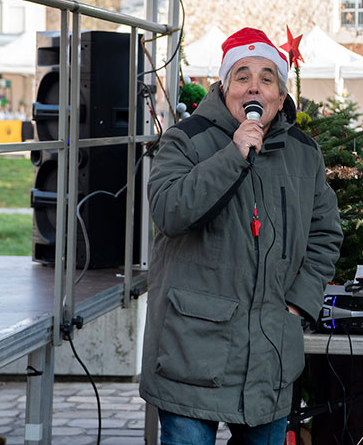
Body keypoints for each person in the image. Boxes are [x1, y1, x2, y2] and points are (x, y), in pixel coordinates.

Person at [140, 27, 343, 445]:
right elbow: (169, 210)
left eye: (267, 78)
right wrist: (233, 156)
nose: (255, 87)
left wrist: (297, 304)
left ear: (281, 97)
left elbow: (325, 234)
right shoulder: (186, 139)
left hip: (269, 353)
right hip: (191, 352)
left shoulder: (305, 153)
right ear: (224, 88)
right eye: (242, 76)